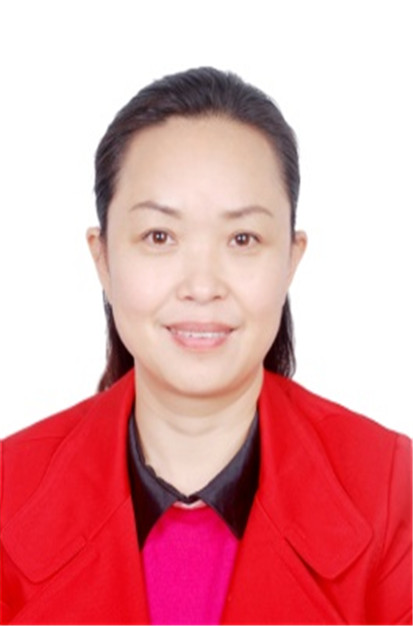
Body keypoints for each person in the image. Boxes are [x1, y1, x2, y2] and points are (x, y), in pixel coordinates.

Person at [0, 67, 411, 626]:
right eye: (159, 236)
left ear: (291, 260)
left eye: (243, 238)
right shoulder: (10, 492)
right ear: (103, 259)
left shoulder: (392, 495)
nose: (201, 285)